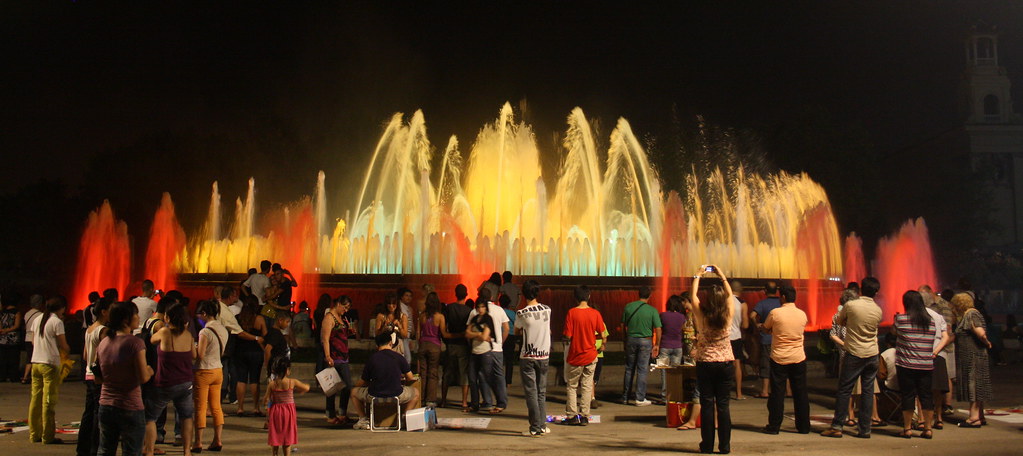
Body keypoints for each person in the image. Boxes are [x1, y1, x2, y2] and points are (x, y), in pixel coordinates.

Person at [822, 277, 883, 439]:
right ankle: (865, 429)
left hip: (854, 352)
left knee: (844, 390)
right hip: (872, 354)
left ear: (861, 289)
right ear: (876, 292)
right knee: (868, 392)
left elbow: (839, 321)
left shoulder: (851, 305)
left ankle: (837, 426)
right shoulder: (878, 310)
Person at [96, 301, 152, 455]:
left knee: (105, 450)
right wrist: (149, 370)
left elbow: (98, 378)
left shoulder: (104, 343)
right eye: (136, 314)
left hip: (106, 404)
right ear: (126, 319)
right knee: (132, 451)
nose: (138, 317)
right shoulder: (135, 343)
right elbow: (143, 377)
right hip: (130, 405)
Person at [690, 265, 736, 454]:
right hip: (725, 363)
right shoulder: (727, 315)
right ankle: (724, 446)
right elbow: (730, 295)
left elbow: (693, 296)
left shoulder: (703, 315)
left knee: (707, 404)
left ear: (708, 300)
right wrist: (722, 275)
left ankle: (707, 445)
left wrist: (698, 275)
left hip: (705, 363)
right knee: (723, 405)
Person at [143, 303, 196, 456]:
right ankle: (187, 451)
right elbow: (194, 355)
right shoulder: (188, 335)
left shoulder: (165, 332)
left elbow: (152, 340)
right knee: (186, 417)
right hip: (185, 383)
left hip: (165, 382)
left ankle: (149, 450)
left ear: (167, 317)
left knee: (150, 417)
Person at [893, 290, 941, 439]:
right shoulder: (930, 321)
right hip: (925, 364)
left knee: (907, 396)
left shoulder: (901, 319)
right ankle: (927, 428)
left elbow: (894, 333)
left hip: (906, 365)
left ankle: (907, 428)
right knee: (926, 396)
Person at [762, 284, 810, 435]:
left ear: (782, 297)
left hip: (779, 358)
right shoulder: (802, 314)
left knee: (777, 393)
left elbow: (765, 327)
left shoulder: (775, 313)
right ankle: (803, 427)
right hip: (798, 357)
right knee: (800, 393)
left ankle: (774, 426)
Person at [350, 331, 420, 430]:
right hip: (397, 395)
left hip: (374, 395)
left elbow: (363, 381)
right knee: (416, 393)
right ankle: (404, 418)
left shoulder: (372, 359)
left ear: (377, 345)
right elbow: (410, 377)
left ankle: (363, 419)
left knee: (353, 393)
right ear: (390, 343)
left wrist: (354, 386)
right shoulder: (399, 357)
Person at [561, 285, 606, 426]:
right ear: (589, 296)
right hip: (591, 355)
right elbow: (603, 333)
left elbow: (568, 335)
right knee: (587, 386)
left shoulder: (571, 313)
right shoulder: (595, 313)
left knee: (572, 385)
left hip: (576, 355)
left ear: (575, 297)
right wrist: (601, 344)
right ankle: (585, 416)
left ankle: (572, 415)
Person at [27, 296, 70, 445]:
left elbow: (33, 341)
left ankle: (34, 434)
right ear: (60, 308)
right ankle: (47, 436)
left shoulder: (37, 319)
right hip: (50, 364)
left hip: (36, 362)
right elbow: (64, 345)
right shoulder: (57, 322)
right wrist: (66, 352)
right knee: (48, 401)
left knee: (35, 399)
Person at [515, 280, 551, 437]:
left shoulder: (521, 313)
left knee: (531, 392)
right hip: (544, 355)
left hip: (528, 356)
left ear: (524, 294)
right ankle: (542, 426)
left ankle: (535, 427)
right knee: (541, 392)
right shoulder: (547, 310)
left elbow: (517, 331)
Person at [951, 292, 993, 428]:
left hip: (973, 356)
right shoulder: (969, 314)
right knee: (977, 384)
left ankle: (973, 418)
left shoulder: (971, 314)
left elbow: (980, 332)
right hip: (973, 355)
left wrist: (987, 342)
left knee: (973, 384)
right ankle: (980, 416)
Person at [466, 286, 510, 413]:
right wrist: (500, 341)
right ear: (492, 297)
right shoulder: (499, 309)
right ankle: (501, 402)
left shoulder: (474, 312)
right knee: (498, 375)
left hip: (482, 349)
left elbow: (468, 331)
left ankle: (487, 401)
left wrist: (476, 337)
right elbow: (506, 328)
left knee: (482, 376)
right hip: (497, 348)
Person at [193, 300, 228, 453]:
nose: (198, 318)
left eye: (199, 315)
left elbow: (200, 355)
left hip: (204, 371)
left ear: (205, 314)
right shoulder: (223, 329)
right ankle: (217, 440)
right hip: (218, 370)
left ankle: (198, 442)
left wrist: (191, 346)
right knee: (216, 407)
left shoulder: (205, 332)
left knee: (200, 408)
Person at [77, 298, 109, 456]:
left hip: (88, 373)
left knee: (88, 412)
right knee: (99, 413)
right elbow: (105, 354)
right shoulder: (103, 330)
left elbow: (84, 355)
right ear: (104, 312)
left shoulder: (89, 329)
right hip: (99, 376)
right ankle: (94, 449)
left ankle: (82, 448)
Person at [920, 285, 956, 427]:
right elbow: (946, 335)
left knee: (922, 387)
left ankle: (922, 419)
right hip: (938, 353)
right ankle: (939, 417)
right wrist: (936, 351)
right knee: (938, 388)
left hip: (924, 353)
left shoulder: (921, 315)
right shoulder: (938, 316)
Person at [620, 285, 661, 406]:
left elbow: (623, 326)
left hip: (631, 339)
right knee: (642, 369)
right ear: (650, 295)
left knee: (629, 369)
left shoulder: (629, 307)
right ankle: (640, 398)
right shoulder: (652, 310)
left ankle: (625, 397)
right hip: (645, 341)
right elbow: (658, 329)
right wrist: (657, 344)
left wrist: (624, 340)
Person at [264, 357, 309, 456]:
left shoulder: (272, 384)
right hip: (288, 412)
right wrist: (302, 390)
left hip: (275, 411)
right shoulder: (292, 382)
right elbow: (306, 387)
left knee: (275, 435)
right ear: (287, 370)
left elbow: (266, 399)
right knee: (287, 437)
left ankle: (275, 454)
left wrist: (267, 408)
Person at [321, 295, 355, 425]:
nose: (346, 310)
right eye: (345, 307)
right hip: (334, 357)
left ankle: (342, 413)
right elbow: (325, 338)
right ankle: (330, 414)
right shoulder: (329, 318)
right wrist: (328, 356)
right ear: (339, 304)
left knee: (347, 386)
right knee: (332, 387)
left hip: (343, 357)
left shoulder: (342, 318)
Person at [235, 298, 268, 416]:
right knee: (255, 380)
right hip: (255, 352)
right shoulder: (259, 319)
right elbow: (265, 336)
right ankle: (255, 407)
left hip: (240, 351)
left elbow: (236, 333)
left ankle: (240, 407)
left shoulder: (238, 318)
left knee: (241, 379)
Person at [441, 284, 472, 411]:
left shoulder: (449, 308)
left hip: (451, 343)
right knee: (464, 373)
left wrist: (446, 339)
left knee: (447, 372)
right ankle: (464, 401)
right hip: (463, 345)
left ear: (455, 294)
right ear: (466, 295)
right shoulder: (469, 311)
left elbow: (445, 325)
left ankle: (443, 400)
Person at [676, 291, 702, 431]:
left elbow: (700, 333)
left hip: (694, 351)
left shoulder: (697, 315)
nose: (682, 305)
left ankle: (694, 418)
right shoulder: (688, 315)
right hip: (689, 349)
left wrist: (696, 346)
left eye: (683, 302)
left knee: (698, 383)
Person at [750, 281, 780, 397]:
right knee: (782, 364)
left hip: (766, 339)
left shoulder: (762, 304)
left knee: (766, 364)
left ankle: (764, 391)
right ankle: (788, 390)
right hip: (779, 338)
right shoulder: (781, 302)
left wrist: (757, 325)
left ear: (765, 291)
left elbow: (752, 315)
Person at [417, 292, 445, 406]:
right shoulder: (440, 317)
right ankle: (431, 399)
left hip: (423, 344)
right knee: (433, 372)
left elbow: (418, 332)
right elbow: (443, 333)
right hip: (434, 345)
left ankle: (421, 398)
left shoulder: (422, 316)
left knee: (423, 373)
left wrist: (419, 345)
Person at [658, 295, 687, 403]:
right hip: (678, 346)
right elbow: (683, 330)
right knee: (675, 374)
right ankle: (675, 396)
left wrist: (657, 344)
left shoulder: (662, 315)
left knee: (664, 372)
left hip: (665, 346)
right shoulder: (682, 317)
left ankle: (664, 396)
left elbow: (660, 330)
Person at [728, 280, 748, 400]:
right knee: (737, 364)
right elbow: (745, 325)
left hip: (724, 336)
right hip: (736, 336)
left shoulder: (724, 300)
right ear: (741, 290)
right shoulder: (742, 304)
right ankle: (739, 393)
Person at [375, 295, 408, 360]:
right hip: (384, 344)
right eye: (389, 303)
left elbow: (405, 335)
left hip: (397, 345)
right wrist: (384, 328)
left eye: (393, 304)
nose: (391, 306)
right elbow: (377, 333)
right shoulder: (381, 316)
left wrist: (399, 325)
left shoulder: (402, 316)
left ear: (397, 304)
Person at [21, 294, 44, 384]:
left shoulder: (27, 313)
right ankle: (29, 377)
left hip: (27, 338)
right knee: (35, 358)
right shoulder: (40, 315)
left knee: (29, 358)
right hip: (35, 339)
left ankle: (26, 376)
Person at [0, 296, 23, 382]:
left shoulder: (2, 312)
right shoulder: (16, 312)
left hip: (2, 338)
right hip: (13, 338)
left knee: (2, 358)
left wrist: (3, 330)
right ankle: (13, 376)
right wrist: (8, 330)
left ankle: (2, 376)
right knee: (13, 358)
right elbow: (17, 325)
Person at [500, 294, 519, 387]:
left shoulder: (499, 312)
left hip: (500, 336)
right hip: (511, 336)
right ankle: (508, 382)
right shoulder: (512, 313)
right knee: (509, 360)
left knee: (499, 359)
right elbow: (517, 324)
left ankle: (498, 379)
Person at [397, 287, 415, 364]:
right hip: (401, 335)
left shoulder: (409, 308)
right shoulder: (399, 307)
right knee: (407, 359)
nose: (408, 298)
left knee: (407, 358)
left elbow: (410, 322)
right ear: (402, 297)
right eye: (406, 295)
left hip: (407, 336)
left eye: (410, 296)